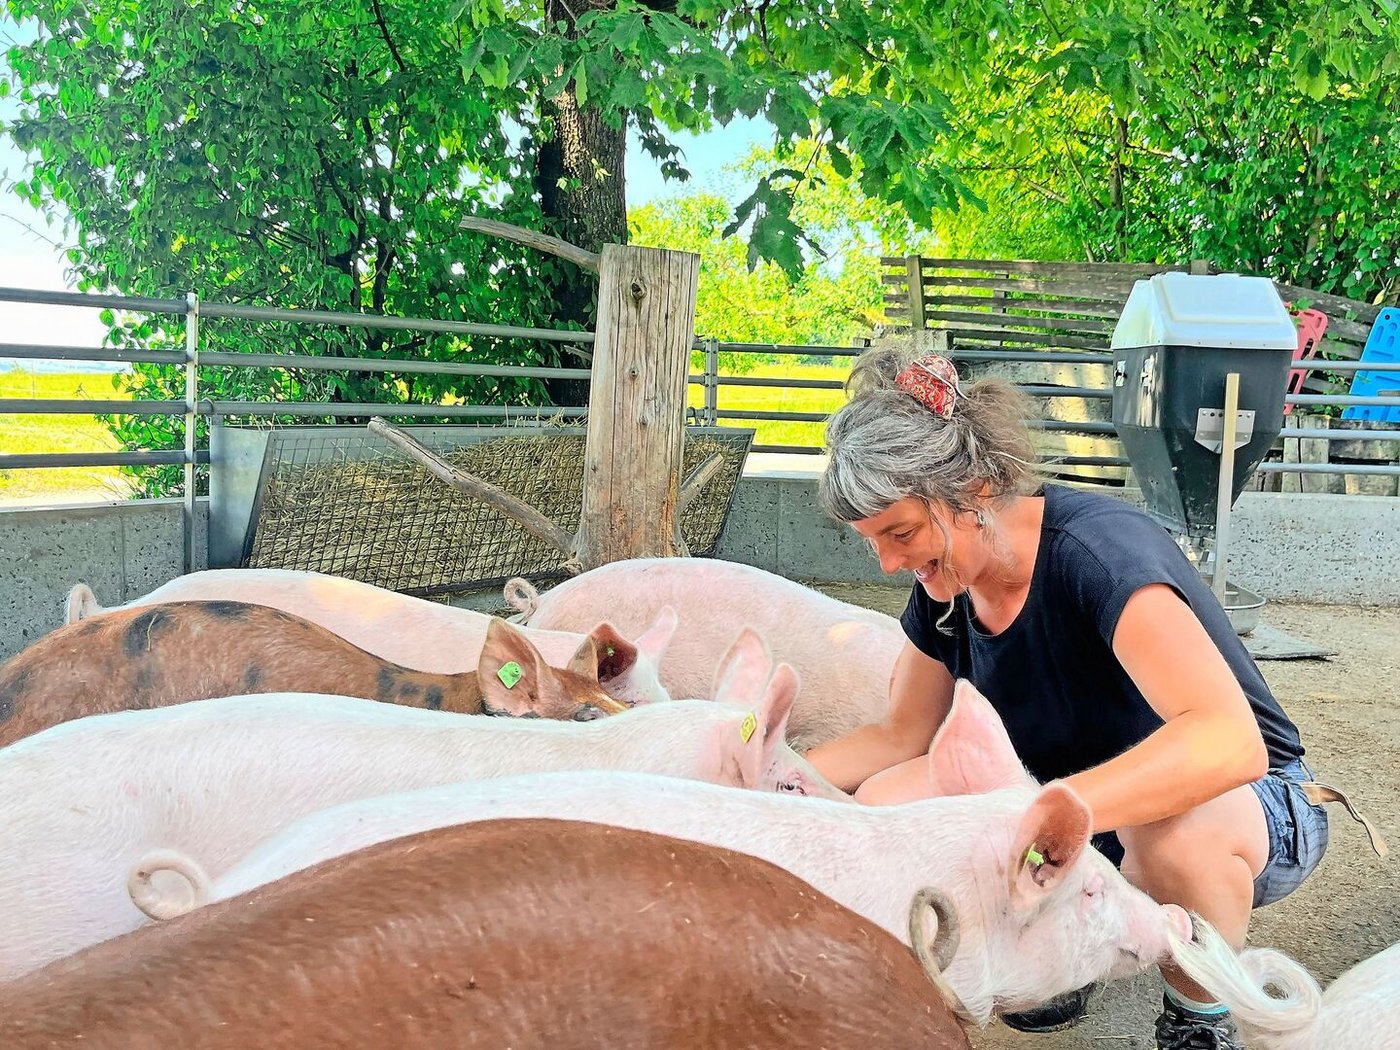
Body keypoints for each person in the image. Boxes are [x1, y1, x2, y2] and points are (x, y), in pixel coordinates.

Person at [806, 347, 1329, 1050]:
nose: (890, 563)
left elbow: (1231, 743)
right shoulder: (946, 586)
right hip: (1080, 806)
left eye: (900, 533)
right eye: (873, 542)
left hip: (1256, 802)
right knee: (883, 802)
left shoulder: (1100, 554)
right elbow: (900, 736)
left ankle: (1198, 1022)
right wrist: (769, 774)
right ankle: (1056, 953)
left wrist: (1039, 820)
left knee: (1173, 837)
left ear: (975, 489)